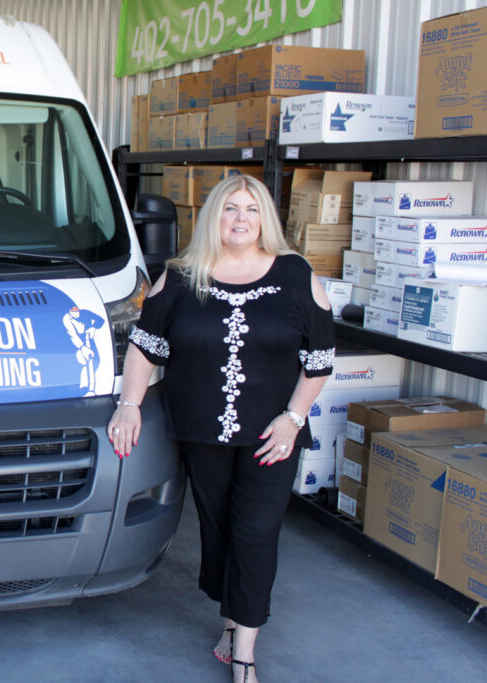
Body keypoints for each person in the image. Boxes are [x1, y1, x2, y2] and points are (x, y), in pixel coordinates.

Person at [108, 174, 334, 683]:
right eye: (230, 208)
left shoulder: (297, 275)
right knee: (219, 531)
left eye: (251, 210)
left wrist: (294, 418)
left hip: (272, 435)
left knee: (256, 533)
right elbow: (145, 347)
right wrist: (129, 406)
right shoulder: (183, 276)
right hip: (201, 434)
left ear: (265, 220)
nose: (240, 219)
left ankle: (245, 653)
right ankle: (231, 620)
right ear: (214, 215)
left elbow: (318, 360)